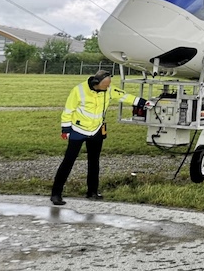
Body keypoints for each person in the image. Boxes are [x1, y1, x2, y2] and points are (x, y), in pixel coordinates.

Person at [51, 70, 150, 205]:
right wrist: (65, 129)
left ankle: (92, 191)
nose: (109, 87)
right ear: (96, 83)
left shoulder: (109, 90)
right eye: (106, 85)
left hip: (96, 130)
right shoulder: (78, 90)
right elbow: (68, 110)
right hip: (78, 130)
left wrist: (144, 103)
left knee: (94, 162)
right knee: (68, 161)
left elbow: (125, 96)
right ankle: (56, 194)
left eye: (109, 84)